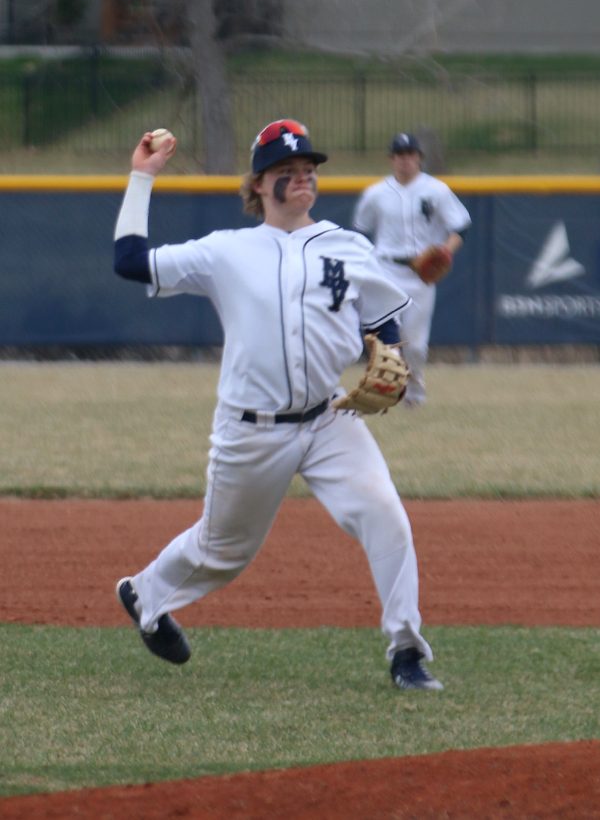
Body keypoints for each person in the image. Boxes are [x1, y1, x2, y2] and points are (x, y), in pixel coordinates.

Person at [112, 119, 443, 692]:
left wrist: (387, 355)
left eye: (308, 170)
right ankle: (144, 593)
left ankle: (407, 653)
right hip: (251, 428)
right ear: (260, 185)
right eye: (287, 172)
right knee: (224, 553)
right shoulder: (226, 252)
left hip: (329, 419)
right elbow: (130, 261)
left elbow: (382, 315)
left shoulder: (347, 245)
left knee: (385, 514)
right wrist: (142, 178)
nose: (302, 179)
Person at [353, 132, 471, 407]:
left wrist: (445, 251)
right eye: (399, 155)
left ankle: (415, 395)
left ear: (419, 158)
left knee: (415, 345)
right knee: (386, 341)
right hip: (386, 269)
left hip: (421, 274)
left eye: (410, 155)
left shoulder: (437, 190)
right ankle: (387, 392)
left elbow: (461, 226)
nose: (405, 160)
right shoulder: (375, 193)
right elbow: (360, 229)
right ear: (392, 159)